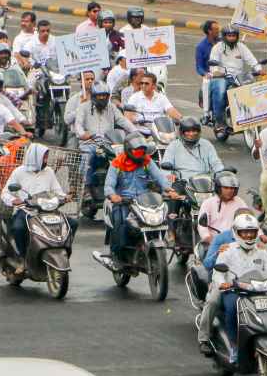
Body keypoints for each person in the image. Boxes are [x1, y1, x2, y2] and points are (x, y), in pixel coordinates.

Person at [207, 213, 267, 361]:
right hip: (234, 290)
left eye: (252, 232)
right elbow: (218, 274)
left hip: (258, 290)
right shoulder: (227, 250)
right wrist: (222, 283)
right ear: (237, 233)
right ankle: (233, 345)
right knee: (232, 308)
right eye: (245, 232)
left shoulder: (262, 251)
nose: (249, 236)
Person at [101, 134, 175, 268]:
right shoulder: (117, 163)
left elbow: (160, 177)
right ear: (129, 150)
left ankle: (157, 241)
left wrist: (169, 189)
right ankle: (117, 255)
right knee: (120, 222)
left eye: (142, 151)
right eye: (137, 151)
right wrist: (113, 195)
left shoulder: (147, 161)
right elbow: (108, 185)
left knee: (163, 218)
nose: (140, 154)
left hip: (144, 201)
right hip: (124, 201)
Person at [0, 144, 75, 272]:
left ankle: (61, 251)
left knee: (72, 224)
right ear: (36, 158)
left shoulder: (49, 171)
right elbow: (5, 193)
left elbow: (57, 190)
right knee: (18, 228)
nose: (46, 160)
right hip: (26, 210)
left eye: (46, 157)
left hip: (47, 209)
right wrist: (14, 200)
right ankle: (23, 259)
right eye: (44, 157)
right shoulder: (19, 172)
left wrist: (65, 197)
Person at [75, 81, 137, 187]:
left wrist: (136, 133)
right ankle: (85, 187)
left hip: (109, 143)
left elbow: (123, 121)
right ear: (94, 96)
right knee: (87, 157)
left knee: (128, 156)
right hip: (90, 143)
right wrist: (83, 134)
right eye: (99, 95)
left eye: (104, 95)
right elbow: (78, 125)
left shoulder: (112, 107)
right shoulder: (83, 107)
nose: (102, 98)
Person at [207, 26, 260, 130]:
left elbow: (252, 60)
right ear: (224, 36)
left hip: (239, 76)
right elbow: (213, 64)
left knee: (252, 91)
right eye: (229, 36)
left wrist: (258, 68)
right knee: (220, 91)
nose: (232, 38)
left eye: (234, 36)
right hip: (222, 76)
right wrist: (216, 71)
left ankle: (253, 115)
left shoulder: (241, 47)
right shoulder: (217, 47)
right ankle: (220, 121)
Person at [161, 116, 224, 183]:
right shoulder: (173, 145)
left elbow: (216, 163)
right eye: (188, 131)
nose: (191, 134)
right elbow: (166, 163)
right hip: (182, 182)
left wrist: (222, 172)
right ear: (182, 132)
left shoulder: (207, 144)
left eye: (194, 131)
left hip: (205, 182)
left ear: (199, 131)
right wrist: (169, 175)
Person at [197, 171, 248, 244]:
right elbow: (202, 227)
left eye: (232, 188)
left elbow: (249, 219)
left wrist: (260, 235)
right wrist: (208, 238)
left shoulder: (240, 202)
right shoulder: (208, 203)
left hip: (236, 241)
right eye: (226, 188)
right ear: (218, 188)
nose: (229, 191)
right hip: (214, 241)